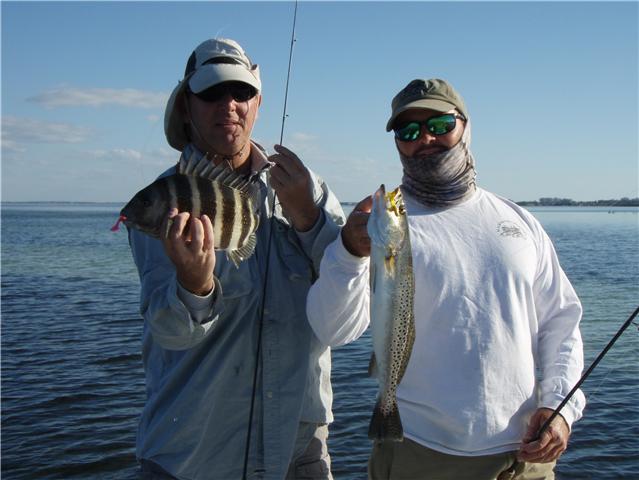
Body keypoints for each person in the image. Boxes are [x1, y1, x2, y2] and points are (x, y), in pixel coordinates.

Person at [306, 78, 585, 480]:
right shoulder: (380, 225)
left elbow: (562, 321)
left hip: (527, 458)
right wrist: (348, 253)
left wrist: (562, 406)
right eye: (408, 132)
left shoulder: (519, 222)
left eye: (439, 125)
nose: (425, 140)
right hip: (419, 455)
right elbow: (332, 330)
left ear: (465, 127)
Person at [127, 37, 344, 480]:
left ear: (258, 103)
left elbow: (350, 293)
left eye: (242, 92)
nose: (229, 104)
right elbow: (168, 332)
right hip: (193, 452)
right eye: (212, 92)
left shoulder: (305, 187)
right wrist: (194, 286)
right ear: (187, 106)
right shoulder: (165, 203)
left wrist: (307, 217)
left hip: (297, 447)